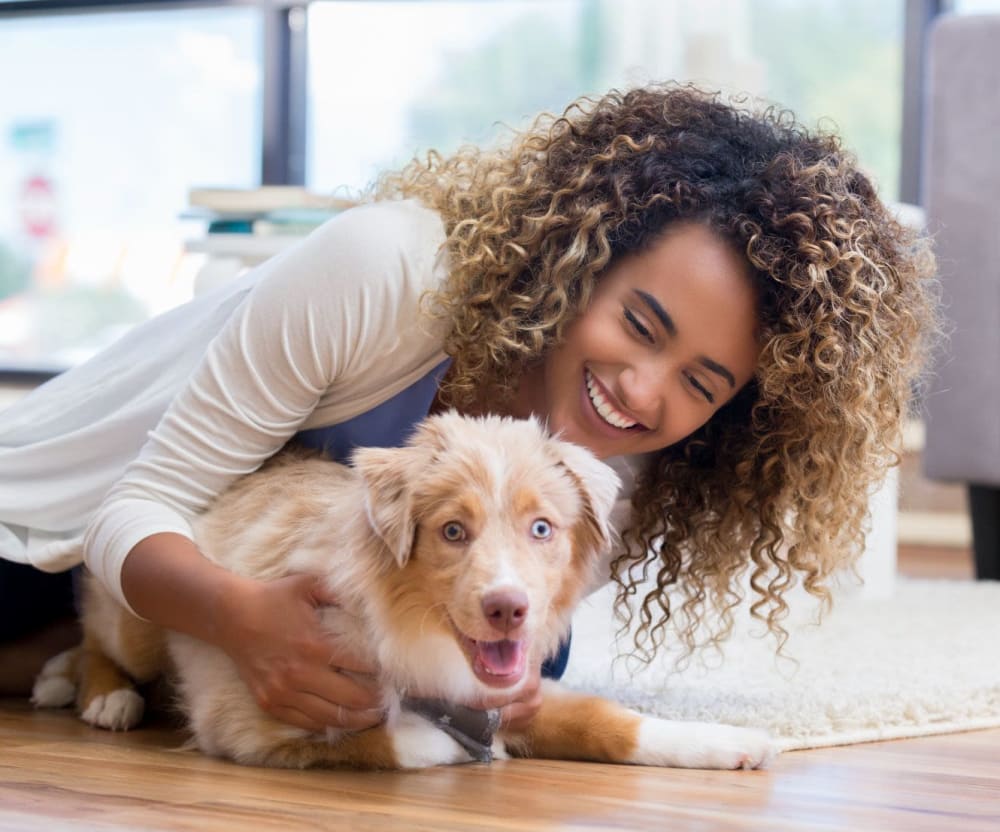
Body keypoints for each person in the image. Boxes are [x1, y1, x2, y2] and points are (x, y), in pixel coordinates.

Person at [0, 84, 938, 730]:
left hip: (200, 577)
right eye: (641, 323)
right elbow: (137, 505)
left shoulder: (622, 478)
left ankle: (68, 662)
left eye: (702, 383)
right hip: (49, 522)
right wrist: (245, 621)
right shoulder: (386, 273)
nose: (644, 391)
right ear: (582, 259)